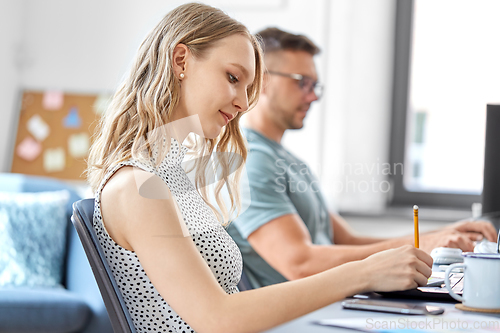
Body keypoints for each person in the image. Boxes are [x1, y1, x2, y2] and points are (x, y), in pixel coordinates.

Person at [87, 4, 434, 332]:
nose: (242, 102)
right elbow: (218, 320)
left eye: (248, 88)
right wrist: (362, 273)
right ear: (181, 60)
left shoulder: (169, 177)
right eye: (233, 78)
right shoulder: (136, 186)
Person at [226, 27, 498, 289]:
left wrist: (440, 236)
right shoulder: (253, 162)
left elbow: (348, 240)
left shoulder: (288, 161)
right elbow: (301, 264)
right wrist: (425, 244)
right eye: (302, 82)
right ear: (262, 80)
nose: (312, 96)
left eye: (315, 85)